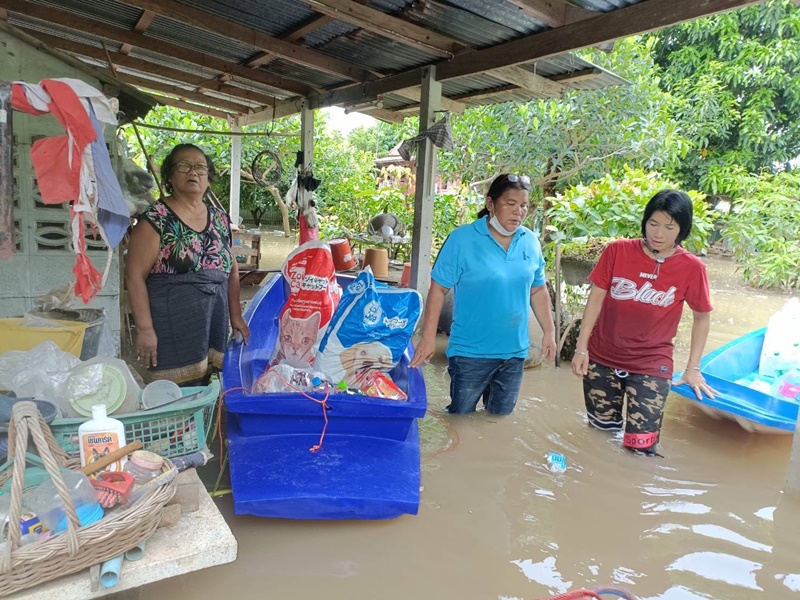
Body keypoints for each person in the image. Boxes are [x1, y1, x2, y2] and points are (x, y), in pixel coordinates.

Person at [571, 189, 717, 456]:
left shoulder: (692, 268)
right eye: (653, 223)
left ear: (682, 229)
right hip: (602, 359)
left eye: (669, 227)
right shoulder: (617, 251)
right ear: (645, 221)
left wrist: (692, 368)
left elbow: (702, 316)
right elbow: (595, 300)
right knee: (599, 435)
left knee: (641, 450)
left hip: (652, 365)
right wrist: (582, 349)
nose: (658, 233)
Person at [409, 174, 557, 415]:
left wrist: (549, 332)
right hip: (470, 353)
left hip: (514, 353)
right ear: (490, 204)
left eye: (523, 206)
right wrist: (427, 338)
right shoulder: (462, 239)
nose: (518, 212)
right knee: (461, 418)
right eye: (510, 204)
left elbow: (538, 289)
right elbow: (438, 288)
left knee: (498, 422)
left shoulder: (530, 241)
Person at [125, 143, 250, 386]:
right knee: (171, 395)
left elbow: (231, 269)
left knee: (208, 387)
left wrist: (236, 315)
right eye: (184, 166)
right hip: (170, 327)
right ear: (170, 176)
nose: (193, 172)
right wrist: (145, 329)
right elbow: (134, 275)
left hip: (212, 323)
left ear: (208, 178)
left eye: (200, 168)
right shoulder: (156, 218)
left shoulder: (220, 219)